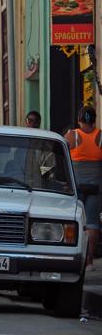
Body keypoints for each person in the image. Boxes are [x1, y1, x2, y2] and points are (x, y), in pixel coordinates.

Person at [64, 106, 102, 270]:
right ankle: (89, 262)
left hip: (76, 187)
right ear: (94, 119)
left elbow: (60, 157)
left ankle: (74, 257)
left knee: (75, 221)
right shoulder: (100, 136)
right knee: (92, 223)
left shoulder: (72, 135)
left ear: (79, 119)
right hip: (96, 187)